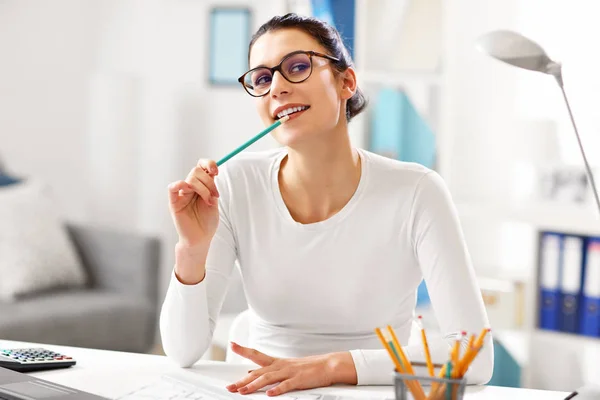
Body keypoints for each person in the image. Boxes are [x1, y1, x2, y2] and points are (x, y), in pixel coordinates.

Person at [160, 12, 493, 397]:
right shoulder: (234, 185)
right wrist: (192, 250)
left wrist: (332, 365)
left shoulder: (418, 191)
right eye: (263, 78)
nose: (277, 88)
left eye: (297, 67)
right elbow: (182, 352)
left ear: (346, 81)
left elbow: (475, 352)